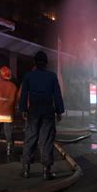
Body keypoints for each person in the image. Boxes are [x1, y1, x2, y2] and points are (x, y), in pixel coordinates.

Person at [19, 51, 64, 180]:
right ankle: (46, 171)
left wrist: (23, 109)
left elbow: (24, 95)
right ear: (46, 63)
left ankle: (26, 170)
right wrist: (59, 111)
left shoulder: (29, 76)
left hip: (33, 111)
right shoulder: (52, 76)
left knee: (30, 138)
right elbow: (57, 95)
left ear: (35, 62)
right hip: (48, 111)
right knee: (47, 140)